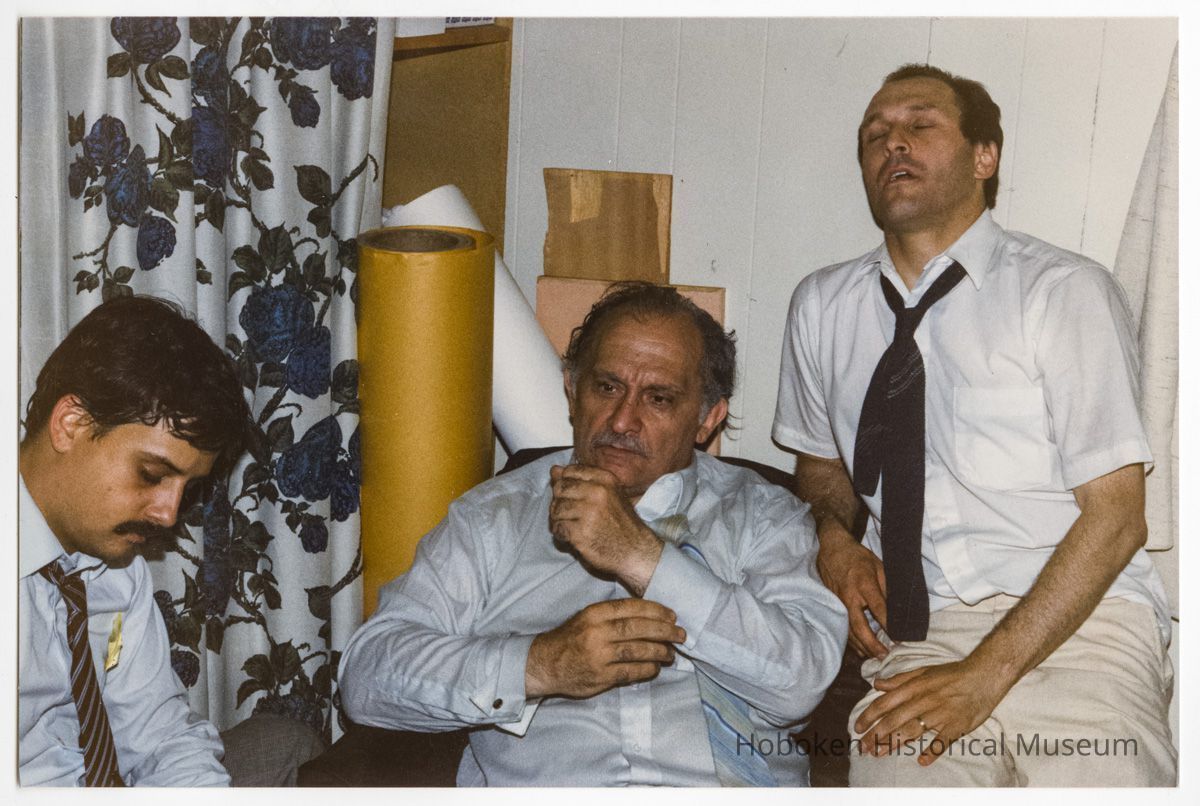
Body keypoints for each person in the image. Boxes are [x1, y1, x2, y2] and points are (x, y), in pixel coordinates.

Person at [772, 63, 1175, 787]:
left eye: (920, 126)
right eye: (875, 135)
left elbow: (1117, 519)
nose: (893, 144)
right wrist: (835, 540)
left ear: (984, 158)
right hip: (925, 631)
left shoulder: (1063, 292)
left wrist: (986, 676)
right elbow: (821, 465)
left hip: (1083, 625)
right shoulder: (821, 307)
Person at [339, 282, 847, 786]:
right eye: (606, 387)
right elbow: (367, 676)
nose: (623, 420)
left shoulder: (765, 516)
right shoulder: (493, 516)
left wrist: (643, 558)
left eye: (659, 398)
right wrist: (541, 664)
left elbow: (800, 683)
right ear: (571, 388)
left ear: (707, 418)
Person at [19, 295, 320, 786]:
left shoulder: (114, 565)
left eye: (190, 488)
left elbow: (158, 733)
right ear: (70, 424)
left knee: (286, 741)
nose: (167, 514)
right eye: (152, 473)